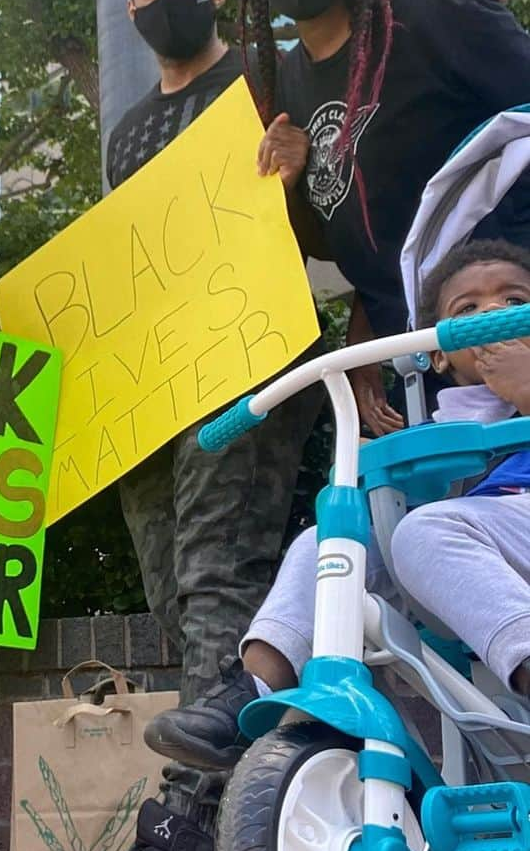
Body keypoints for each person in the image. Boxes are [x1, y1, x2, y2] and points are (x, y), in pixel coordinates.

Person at [39, 0, 321, 851]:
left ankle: (191, 845)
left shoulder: (264, 76)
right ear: (128, 8)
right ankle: (258, 814)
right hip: (152, 400)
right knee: (180, 601)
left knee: (219, 590)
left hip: (247, 379)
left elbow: (332, 216)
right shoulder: (127, 132)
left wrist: (298, 179)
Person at [150, 239, 530, 769]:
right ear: (437, 352)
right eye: (466, 311)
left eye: (515, 303)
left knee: (426, 533)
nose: (492, 314)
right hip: (465, 561)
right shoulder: (440, 427)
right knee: (330, 540)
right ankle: (252, 687)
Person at [236, 0, 530, 436]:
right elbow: (352, 243)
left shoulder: (434, 18)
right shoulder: (282, 83)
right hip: (422, 375)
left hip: (510, 341)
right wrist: (365, 337)